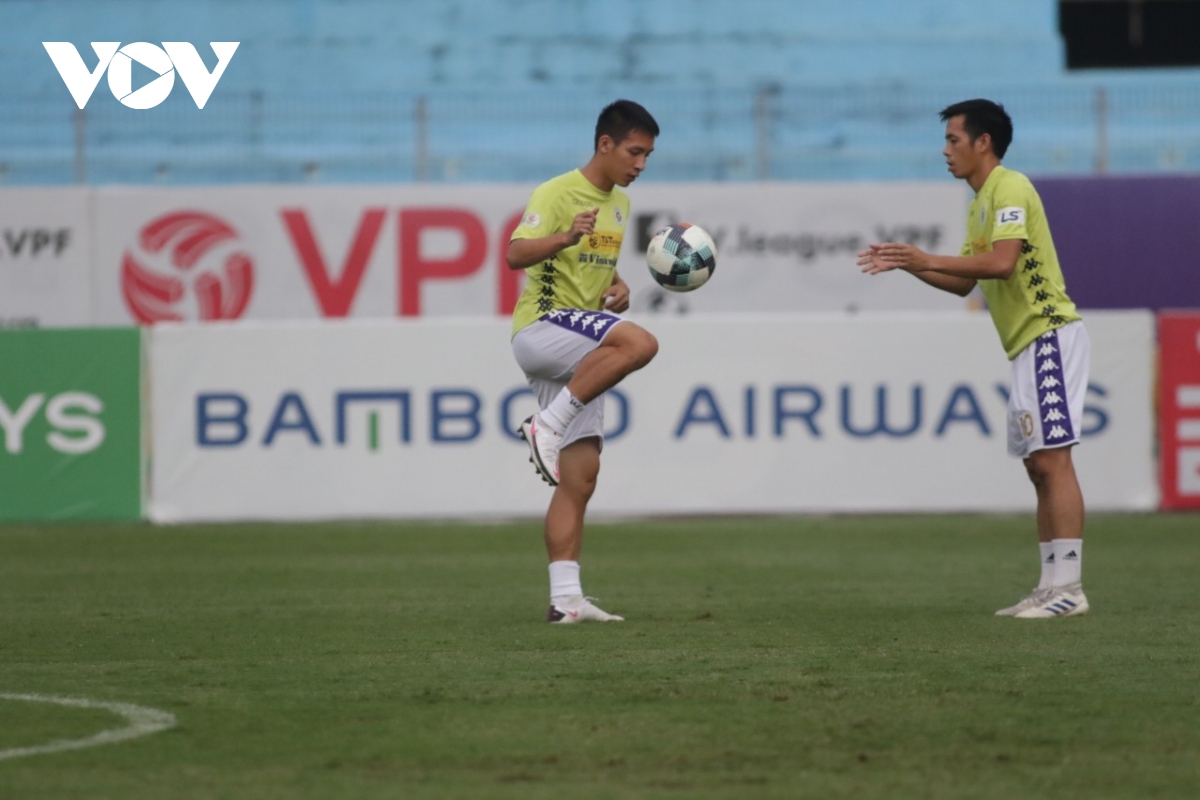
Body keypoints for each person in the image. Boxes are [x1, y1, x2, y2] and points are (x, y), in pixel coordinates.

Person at [856, 98, 1090, 619]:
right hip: (1025, 344)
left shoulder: (1011, 186)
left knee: (1054, 460)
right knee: (1037, 465)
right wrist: (908, 264)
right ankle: (1051, 586)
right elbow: (965, 279)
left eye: (953, 140)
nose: (945, 151)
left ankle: (1070, 587)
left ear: (983, 142)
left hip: (1049, 334)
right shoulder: (979, 201)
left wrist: (925, 256)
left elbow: (1003, 264)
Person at [507, 99, 660, 624]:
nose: (640, 165)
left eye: (648, 156)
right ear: (605, 145)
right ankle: (544, 425)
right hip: (544, 325)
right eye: (634, 152)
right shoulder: (555, 193)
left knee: (581, 476)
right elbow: (515, 254)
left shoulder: (620, 205)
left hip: (579, 338)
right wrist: (565, 236)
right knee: (640, 346)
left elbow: (599, 270)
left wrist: (618, 289)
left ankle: (565, 601)